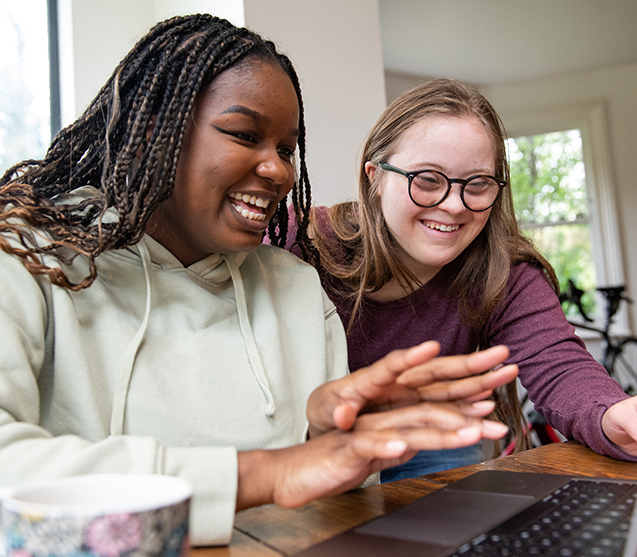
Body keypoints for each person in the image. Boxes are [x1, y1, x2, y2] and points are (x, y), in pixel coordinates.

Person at [0, 17, 518, 546]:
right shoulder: (26, 256)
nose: (279, 171)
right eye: (245, 135)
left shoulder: (294, 286)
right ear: (157, 129)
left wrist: (329, 436)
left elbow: (345, 508)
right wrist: (268, 473)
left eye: (287, 149)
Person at [278, 78, 637, 482]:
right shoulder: (297, 240)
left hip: (429, 445)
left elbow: (559, 366)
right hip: (302, 444)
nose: (453, 206)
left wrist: (614, 414)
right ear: (374, 178)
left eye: (478, 184)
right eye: (428, 180)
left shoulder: (505, 271)